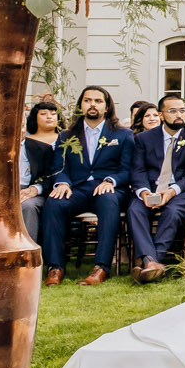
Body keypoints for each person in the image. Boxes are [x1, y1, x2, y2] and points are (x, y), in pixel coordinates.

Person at [39, 86, 135, 286]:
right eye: (88, 100)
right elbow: (59, 167)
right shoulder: (66, 136)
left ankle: (101, 267)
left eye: (98, 101)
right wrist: (63, 183)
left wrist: (111, 181)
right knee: (54, 202)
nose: (93, 104)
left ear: (107, 107)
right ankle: (55, 267)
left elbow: (127, 170)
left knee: (108, 202)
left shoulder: (123, 135)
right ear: (81, 105)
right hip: (77, 189)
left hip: (109, 189)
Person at [127, 93, 185, 283]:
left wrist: (171, 191)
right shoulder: (145, 138)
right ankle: (152, 263)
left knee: (173, 211)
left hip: (181, 191)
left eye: (182, 110)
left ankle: (150, 260)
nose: (179, 114)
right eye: (172, 111)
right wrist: (145, 192)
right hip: (150, 189)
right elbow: (138, 170)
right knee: (134, 210)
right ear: (161, 115)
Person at [19, 101, 60, 245]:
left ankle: (29, 254)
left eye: (53, 114)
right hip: (15, 189)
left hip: (41, 190)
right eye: (43, 114)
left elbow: (51, 174)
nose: (49, 117)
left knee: (28, 206)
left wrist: (35, 189)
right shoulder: (23, 144)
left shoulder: (60, 142)